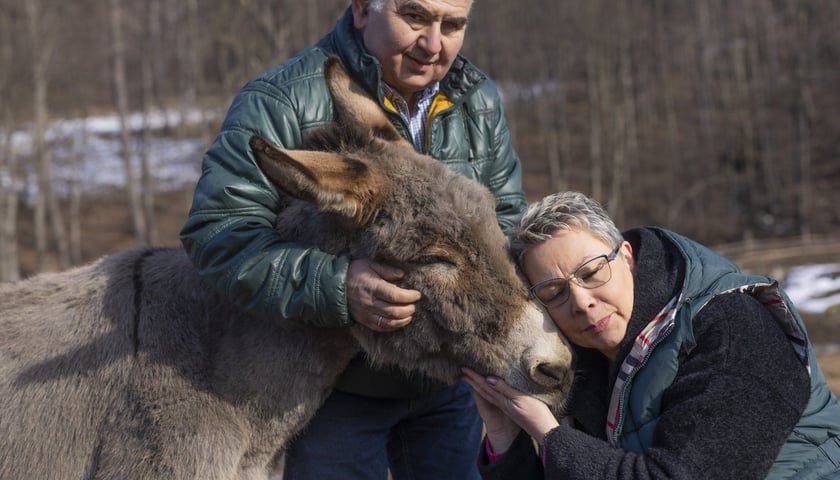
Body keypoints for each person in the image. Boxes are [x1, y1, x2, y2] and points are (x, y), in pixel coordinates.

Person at [179, 0, 527, 478]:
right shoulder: (280, 100)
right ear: (363, 8)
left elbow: (506, 219)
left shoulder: (477, 99)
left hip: (450, 388)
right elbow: (220, 234)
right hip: (336, 392)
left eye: (453, 25)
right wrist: (337, 287)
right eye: (415, 17)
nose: (433, 43)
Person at [462, 191, 840, 479]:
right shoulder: (585, 360)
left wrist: (549, 435)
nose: (581, 302)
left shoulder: (729, 329)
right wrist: (505, 434)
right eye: (555, 293)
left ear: (626, 256)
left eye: (592, 273)